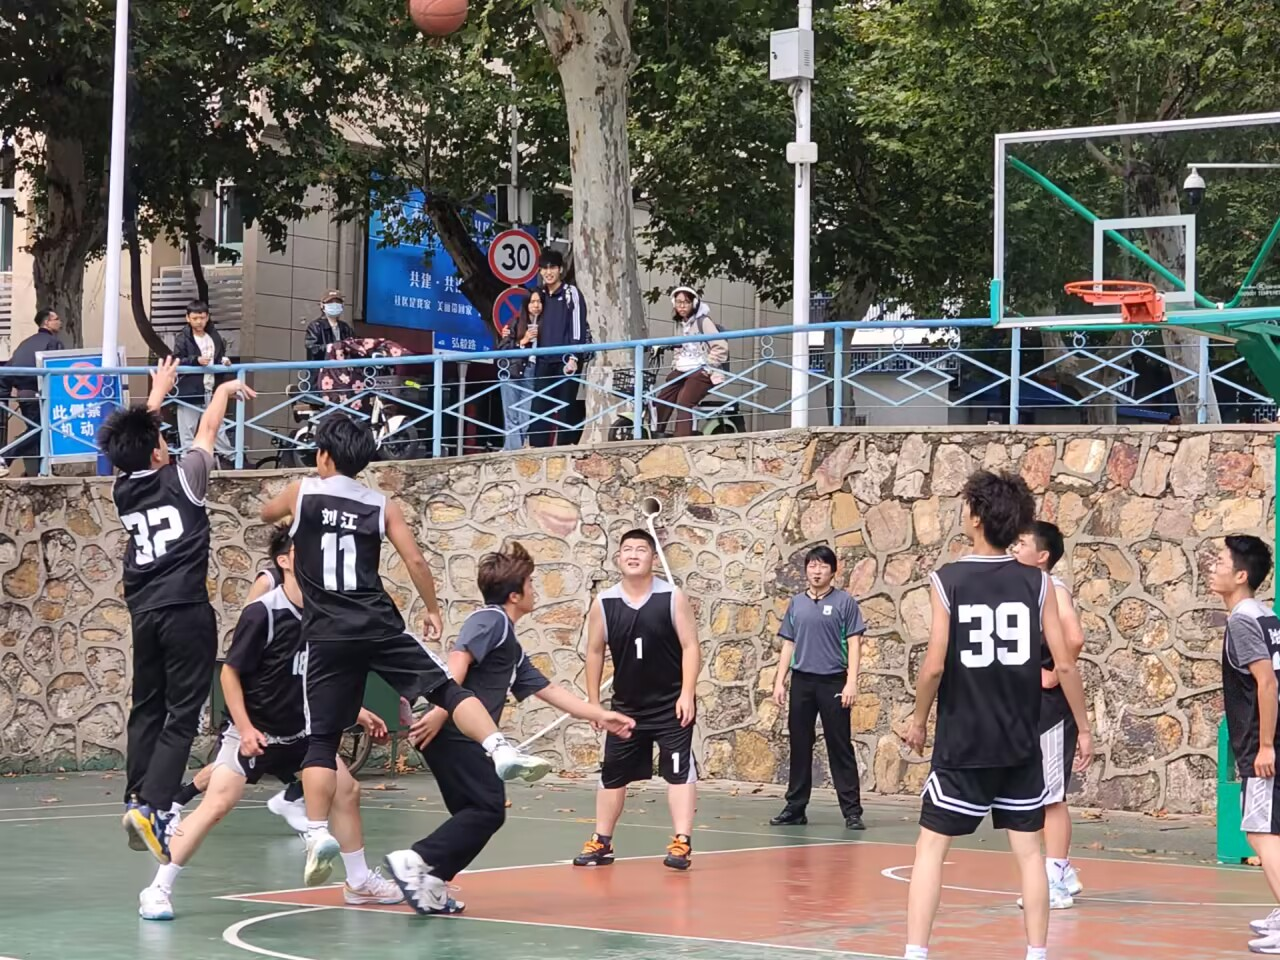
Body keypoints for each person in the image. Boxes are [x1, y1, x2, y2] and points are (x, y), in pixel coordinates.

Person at [259, 414, 552, 890]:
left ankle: (315, 832)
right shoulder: (381, 505)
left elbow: (265, 513)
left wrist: (299, 510)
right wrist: (432, 608)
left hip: (326, 635)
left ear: (324, 455)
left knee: (322, 743)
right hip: (377, 625)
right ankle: (498, 748)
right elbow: (413, 558)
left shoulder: (302, 492)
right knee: (447, 690)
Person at [138, 527, 402, 920]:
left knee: (347, 791)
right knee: (217, 804)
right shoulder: (263, 612)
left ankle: (359, 882)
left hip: (302, 733)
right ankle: (157, 889)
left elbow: (318, 675)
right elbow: (230, 675)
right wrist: (245, 728)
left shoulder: (325, 612)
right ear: (284, 561)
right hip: (255, 732)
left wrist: (357, 710)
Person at [902, 470, 1092, 960]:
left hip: (964, 740)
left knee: (930, 850)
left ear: (976, 517)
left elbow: (934, 664)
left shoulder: (947, 579)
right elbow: (1065, 663)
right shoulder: (1038, 582)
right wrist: (1085, 727)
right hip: (1020, 741)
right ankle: (1037, 953)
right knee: (1029, 853)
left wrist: (919, 719)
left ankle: (916, 952)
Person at [391, 541, 637, 914]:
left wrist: (599, 714)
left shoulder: (509, 641)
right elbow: (457, 660)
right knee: (488, 810)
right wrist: (442, 710)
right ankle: (418, 861)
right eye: (531, 584)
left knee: (477, 813)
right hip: (456, 731)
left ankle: (430, 880)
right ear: (515, 595)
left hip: (460, 735)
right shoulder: (490, 620)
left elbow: (547, 689)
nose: (535, 590)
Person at [99, 357, 256, 862]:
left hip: (144, 612)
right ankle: (153, 805)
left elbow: (134, 446)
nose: (167, 443)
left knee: (147, 706)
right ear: (158, 450)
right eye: (162, 439)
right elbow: (206, 431)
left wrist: (156, 396)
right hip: (185, 608)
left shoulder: (122, 489)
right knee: (183, 712)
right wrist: (223, 391)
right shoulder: (186, 478)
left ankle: (135, 796)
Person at [572, 529, 701, 870]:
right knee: (613, 774)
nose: (633, 555)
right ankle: (602, 842)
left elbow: (691, 646)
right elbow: (594, 651)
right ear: (618, 558)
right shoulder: (604, 603)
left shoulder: (672, 597)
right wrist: (593, 703)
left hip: (671, 705)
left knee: (678, 771)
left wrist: (687, 693)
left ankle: (681, 842)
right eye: (627, 549)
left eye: (641, 549)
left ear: (653, 558)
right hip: (626, 708)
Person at [1208, 535, 1280, 954]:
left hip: (1262, 741)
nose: (1213, 566)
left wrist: (1265, 745)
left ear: (1240, 575)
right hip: (1266, 736)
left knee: (1260, 832)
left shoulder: (1242, 621)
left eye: (1220, 561)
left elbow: (1266, 683)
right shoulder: (1266, 615)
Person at [1011, 521, 1086, 908]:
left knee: (1051, 796)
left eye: (1021, 543)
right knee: (1036, 793)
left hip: (1051, 710)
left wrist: (1054, 673)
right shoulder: (1024, 590)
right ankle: (1064, 871)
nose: (1014, 548)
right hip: (1027, 707)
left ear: (1042, 556)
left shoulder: (1052, 589)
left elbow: (1074, 637)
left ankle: (1054, 877)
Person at [769, 544, 868, 830]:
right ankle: (795, 808)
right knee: (800, 744)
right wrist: (779, 681)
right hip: (802, 681)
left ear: (833, 571)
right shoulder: (796, 603)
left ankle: (852, 811)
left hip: (833, 681)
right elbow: (789, 644)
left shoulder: (844, 603)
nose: (817, 571)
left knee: (840, 745)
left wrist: (851, 682)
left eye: (823, 566)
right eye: (812, 565)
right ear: (806, 570)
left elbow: (854, 644)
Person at [527, 251, 589, 448]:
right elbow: (524, 316)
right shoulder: (539, 295)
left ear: (560, 269)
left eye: (552, 267)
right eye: (544, 268)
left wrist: (574, 356)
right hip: (543, 359)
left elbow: (578, 326)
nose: (548, 272)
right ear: (540, 271)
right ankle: (537, 449)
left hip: (566, 360)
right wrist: (511, 332)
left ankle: (564, 449)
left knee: (566, 406)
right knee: (539, 406)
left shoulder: (571, 293)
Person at [654, 287, 728, 438]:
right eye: (678, 302)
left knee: (684, 401)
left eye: (686, 302)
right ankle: (655, 433)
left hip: (703, 370)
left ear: (694, 303)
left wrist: (708, 367)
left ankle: (681, 439)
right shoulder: (679, 323)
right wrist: (676, 363)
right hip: (683, 368)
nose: (682, 306)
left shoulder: (704, 321)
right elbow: (678, 347)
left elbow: (720, 347)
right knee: (663, 398)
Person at [0, 307, 63, 478]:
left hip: (23, 394)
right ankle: (5, 457)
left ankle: (39, 471)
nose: (60, 322)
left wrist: (4, 397)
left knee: (35, 430)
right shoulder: (52, 343)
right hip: (40, 394)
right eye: (57, 319)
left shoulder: (25, 344)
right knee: (40, 430)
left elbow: (8, 369)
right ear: (47, 322)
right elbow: (58, 370)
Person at [171, 301, 235, 464]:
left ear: (207, 318)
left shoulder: (214, 336)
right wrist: (196, 360)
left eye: (202, 318)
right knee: (188, 428)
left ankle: (232, 458)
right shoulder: (183, 338)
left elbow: (219, 357)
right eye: (195, 318)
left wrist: (224, 361)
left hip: (211, 387)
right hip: (190, 390)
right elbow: (177, 360)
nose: (199, 322)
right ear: (188, 318)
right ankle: (188, 462)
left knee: (217, 425)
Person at [497, 289, 543, 451]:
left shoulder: (547, 325)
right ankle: (513, 451)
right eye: (532, 302)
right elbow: (503, 349)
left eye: (539, 302)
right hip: (513, 371)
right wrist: (523, 341)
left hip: (532, 371)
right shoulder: (516, 323)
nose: (536, 305)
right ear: (526, 304)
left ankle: (512, 449)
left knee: (525, 416)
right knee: (511, 413)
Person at [305, 290, 355, 362]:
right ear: (322, 305)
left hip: (343, 366)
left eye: (337, 302)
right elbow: (312, 349)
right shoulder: (315, 326)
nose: (334, 305)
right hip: (322, 367)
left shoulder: (345, 327)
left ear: (342, 305)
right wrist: (332, 347)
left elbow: (353, 346)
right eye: (330, 302)